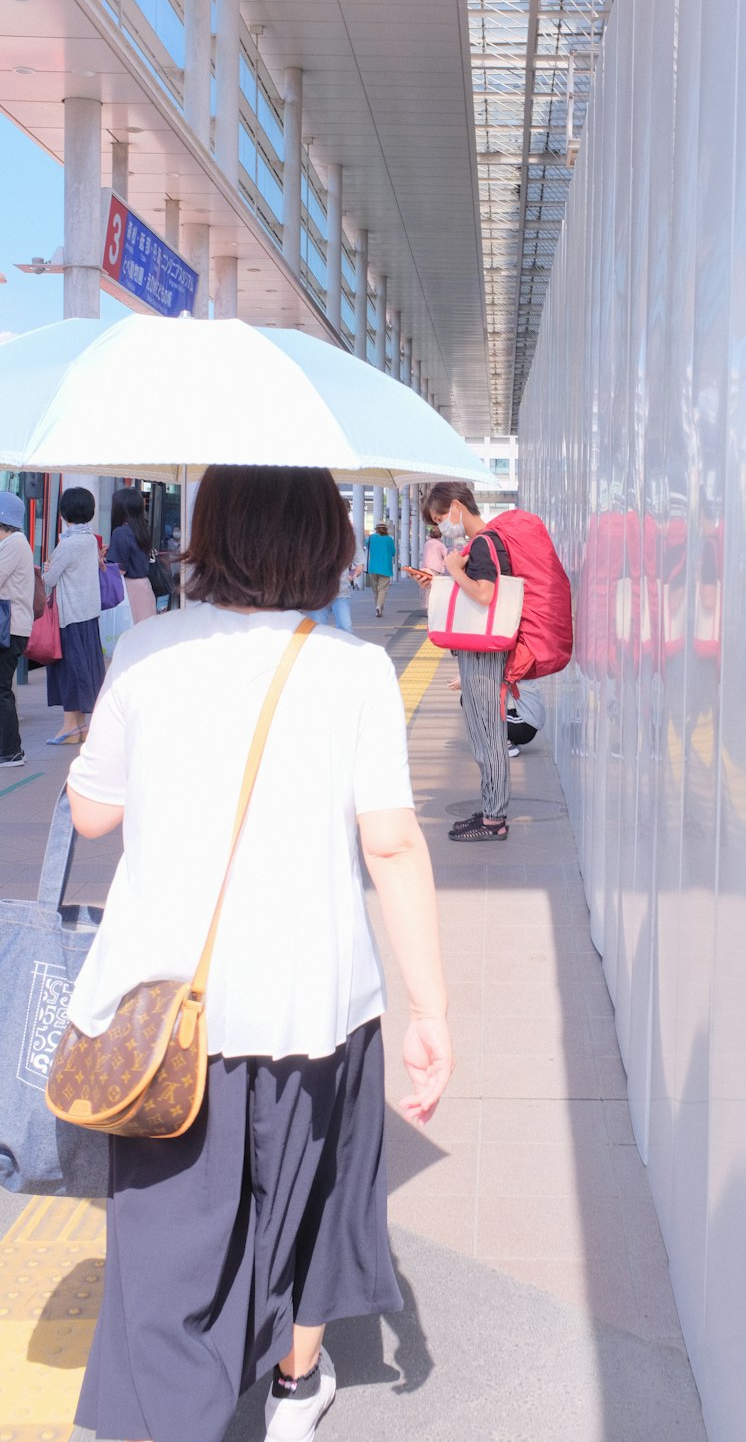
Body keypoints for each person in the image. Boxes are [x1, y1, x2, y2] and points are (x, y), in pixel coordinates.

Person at [64, 465, 453, 1442]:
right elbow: (393, 843)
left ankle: (172, 1417)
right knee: (311, 1199)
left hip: (164, 1014)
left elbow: (90, 812)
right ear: (324, 539)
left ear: (211, 533)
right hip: (313, 1002)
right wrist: (432, 1010)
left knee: (166, 1255)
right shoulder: (355, 669)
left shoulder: (146, 649)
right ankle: (296, 1386)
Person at [419, 481, 512, 842]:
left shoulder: (484, 544)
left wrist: (454, 570)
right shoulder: (482, 544)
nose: (442, 525)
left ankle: (495, 819)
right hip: (479, 652)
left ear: (458, 506)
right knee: (482, 733)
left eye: (442, 516)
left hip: (484, 653)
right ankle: (490, 807)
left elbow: (486, 595)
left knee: (489, 735)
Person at [42, 486, 105, 747]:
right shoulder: (90, 539)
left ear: (65, 513)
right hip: (88, 614)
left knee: (70, 669)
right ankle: (80, 725)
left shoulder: (69, 543)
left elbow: (49, 578)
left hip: (70, 615)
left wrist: (47, 567)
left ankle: (69, 726)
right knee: (83, 668)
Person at [0, 490, 35, 767]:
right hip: (12, 627)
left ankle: (10, 752)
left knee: (1, 690)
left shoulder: (14, 543)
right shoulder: (16, 542)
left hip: (10, 628)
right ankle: (10, 750)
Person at [106, 486, 156, 624]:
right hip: (145, 588)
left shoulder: (120, 533)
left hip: (129, 591)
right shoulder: (142, 529)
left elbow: (120, 569)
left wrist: (101, 562)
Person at [506, 678, 546, 757]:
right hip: (529, 727)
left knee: (487, 715)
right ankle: (509, 742)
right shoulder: (525, 674)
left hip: (523, 724)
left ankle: (507, 746)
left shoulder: (511, 675)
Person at [365, 521, 395, 617]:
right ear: (386, 529)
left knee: (376, 590)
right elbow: (393, 553)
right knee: (382, 589)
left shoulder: (371, 538)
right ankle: (378, 607)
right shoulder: (389, 539)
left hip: (373, 568)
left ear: (376, 529)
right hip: (385, 568)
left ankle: (379, 608)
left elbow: (366, 546)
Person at [418, 524, 448, 610]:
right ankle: (434, 607)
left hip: (425, 568)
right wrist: (444, 564)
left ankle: (428, 606)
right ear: (440, 535)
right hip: (436, 569)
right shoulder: (440, 545)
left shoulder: (426, 543)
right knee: (436, 589)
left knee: (427, 589)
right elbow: (446, 555)